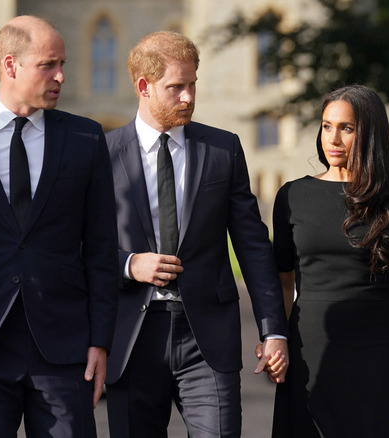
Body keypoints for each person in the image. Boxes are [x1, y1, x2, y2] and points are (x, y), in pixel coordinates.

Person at [0, 15, 118, 437]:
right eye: (48, 65)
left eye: (61, 63)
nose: (61, 76)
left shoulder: (86, 139)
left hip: (64, 348)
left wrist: (100, 340)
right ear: (10, 65)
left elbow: (102, 249)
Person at [104, 31, 290, 437]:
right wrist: (130, 264)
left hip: (206, 339)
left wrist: (273, 329)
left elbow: (254, 246)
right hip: (132, 338)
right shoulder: (102, 154)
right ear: (143, 86)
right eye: (176, 87)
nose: (188, 97)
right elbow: (80, 245)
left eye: (192, 85)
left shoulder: (223, 149)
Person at [270, 85, 389, 437]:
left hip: (376, 356)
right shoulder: (292, 196)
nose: (332, 138)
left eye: (346, 128)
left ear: (370, 134)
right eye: (326, 126)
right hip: (309, 353)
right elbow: (283, 283)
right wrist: (275, 339)